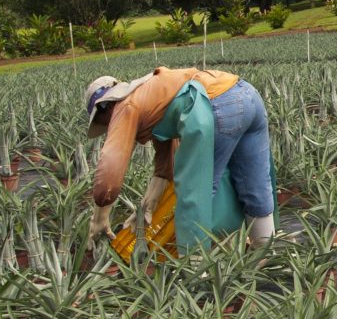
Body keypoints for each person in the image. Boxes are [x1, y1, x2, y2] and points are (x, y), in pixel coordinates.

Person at [85, 67, 275, 249]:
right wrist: (149, 203)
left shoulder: (124, 106)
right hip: (247, 94)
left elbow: (112, 164)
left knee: (195, 191)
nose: (108, 127)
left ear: (105, 107)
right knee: (255, 182)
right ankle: (264, 250)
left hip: (217, 105)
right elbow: (165, 160)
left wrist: (100, 216)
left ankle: (195, 269)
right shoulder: (152, 96)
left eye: (103, 122)